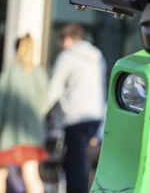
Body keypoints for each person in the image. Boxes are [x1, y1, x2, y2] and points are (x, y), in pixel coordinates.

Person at [0, 34, 48, 193]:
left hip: (8, 135)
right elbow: (45, 103)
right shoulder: (40, 74)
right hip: (32, 135)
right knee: (31, 175)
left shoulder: (9, 73)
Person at [46, 24, 106, 193]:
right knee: (80, 162)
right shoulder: (97, 56)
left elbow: (54, 90)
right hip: (95, 115)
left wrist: (40, 112)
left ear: (67, 39)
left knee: (75, 164)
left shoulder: (67, 57)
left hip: (75, 116)